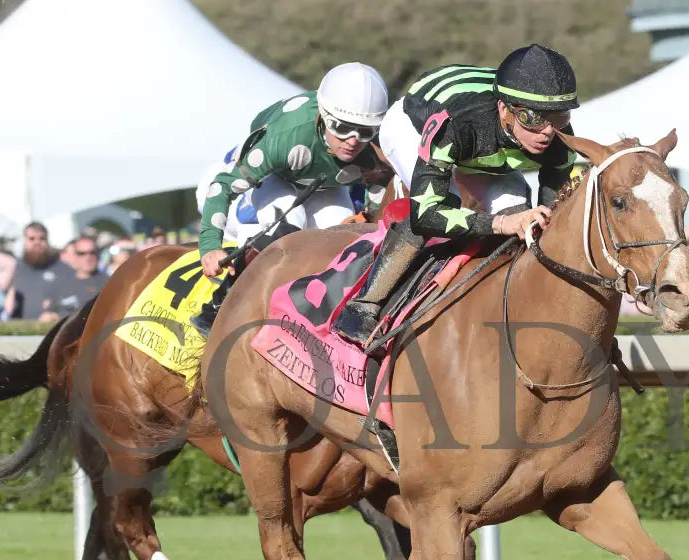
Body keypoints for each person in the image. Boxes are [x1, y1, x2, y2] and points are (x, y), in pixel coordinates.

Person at [334, 44, 580, 346]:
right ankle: (362, 307)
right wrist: (502, 224)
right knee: (445, 206)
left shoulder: (560, 140)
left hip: (487, 145)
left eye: (559, 116)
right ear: (505, 109)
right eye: (533, 118)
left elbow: (549, 226)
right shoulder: (457, 125)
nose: (547, 132)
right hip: (416, 124)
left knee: (521, 210)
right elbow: (428, 214)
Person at [191, 62, 392, 335]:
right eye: (342, 128)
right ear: (323, 115)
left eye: (364, 131)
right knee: (286, 229)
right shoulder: (288, 138)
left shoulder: (376, 147)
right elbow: (223, 187)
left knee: (347, 241)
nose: (353, 141)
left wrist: (368, 212)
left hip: (325, 185)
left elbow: (380, 185)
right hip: (276, 176)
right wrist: (210, 247)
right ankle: (218, 306)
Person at [39, 235, 108, 320]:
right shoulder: (61, 284)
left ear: (98, 255)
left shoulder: (109, 283)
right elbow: (48, 313)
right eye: (82, 253)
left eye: (92, 252)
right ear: (75, 255)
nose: (88, 257)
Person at [11, 222, 71, 319]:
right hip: (19, 331)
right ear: (24, 241)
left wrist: (56, 314)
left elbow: (72, 303)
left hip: (52, 329)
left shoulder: (63, 269)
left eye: (42, 238)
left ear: (47, 241)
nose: (37, 242)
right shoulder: (14, 268)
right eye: (32, 239)